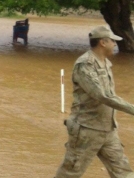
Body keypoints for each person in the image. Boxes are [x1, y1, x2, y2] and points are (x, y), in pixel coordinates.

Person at [55, 26, 134, 178]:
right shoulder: (85, 64)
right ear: (102, 43)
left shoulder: (106, 62)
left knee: (123, 171)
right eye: (113, 41)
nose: (115, 44)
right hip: (86, 129)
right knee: (70, 172)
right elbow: (103, 96)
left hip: (108, 129)